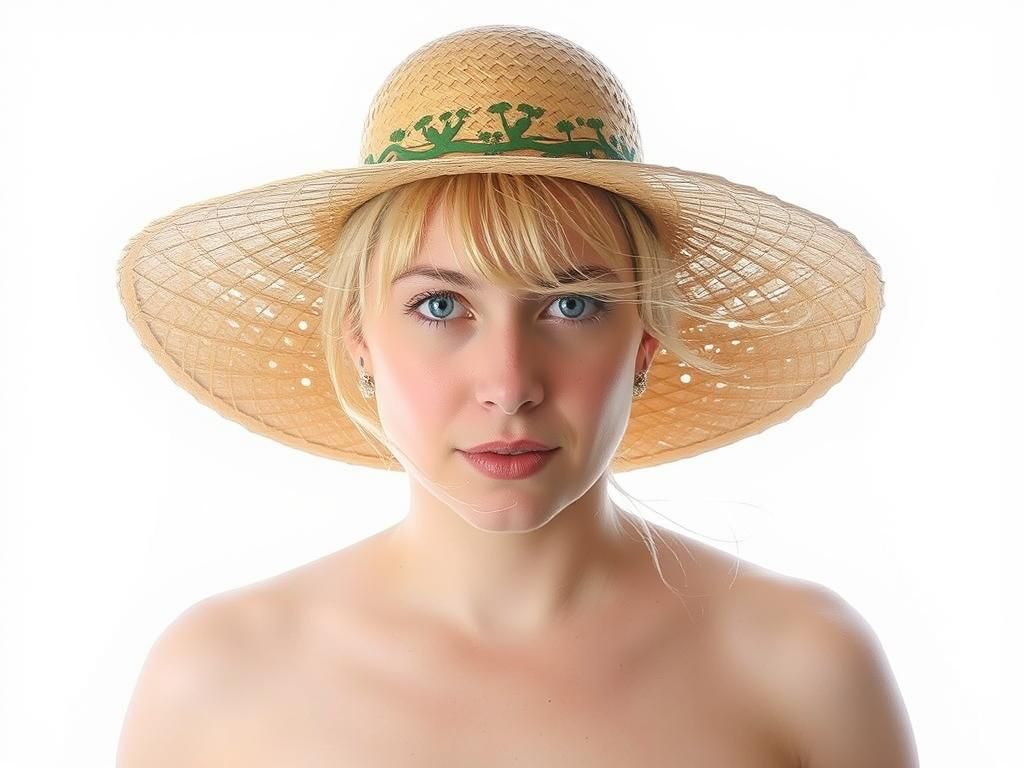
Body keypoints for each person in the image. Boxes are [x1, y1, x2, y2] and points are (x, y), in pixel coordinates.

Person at [114, 24, 918, 768]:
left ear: (643, 341)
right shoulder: (214, 681)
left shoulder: (806, 669)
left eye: (572, 305)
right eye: (440, 305)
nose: (509, 386)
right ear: (359, 339)